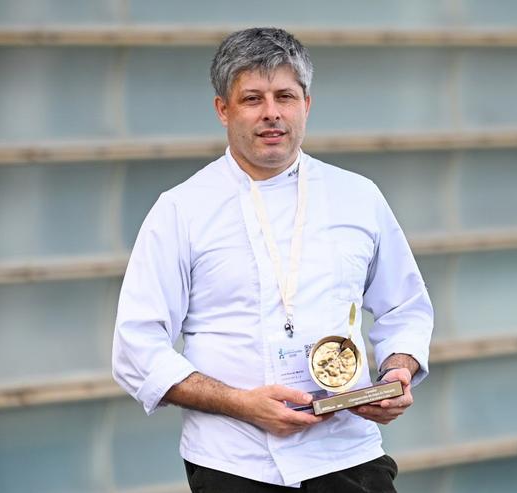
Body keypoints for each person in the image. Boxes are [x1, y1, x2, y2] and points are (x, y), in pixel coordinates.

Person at [112, 27, 433, 492]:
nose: (272, 114)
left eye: (285, 96)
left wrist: (396, 371)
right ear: (223, 109)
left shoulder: (358, 196)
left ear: (307, 104)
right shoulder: (181, 209)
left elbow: (405, 307)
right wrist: (242, 403)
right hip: (236, 463)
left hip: (349, 454)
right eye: (252, 99)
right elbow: (135, 349)